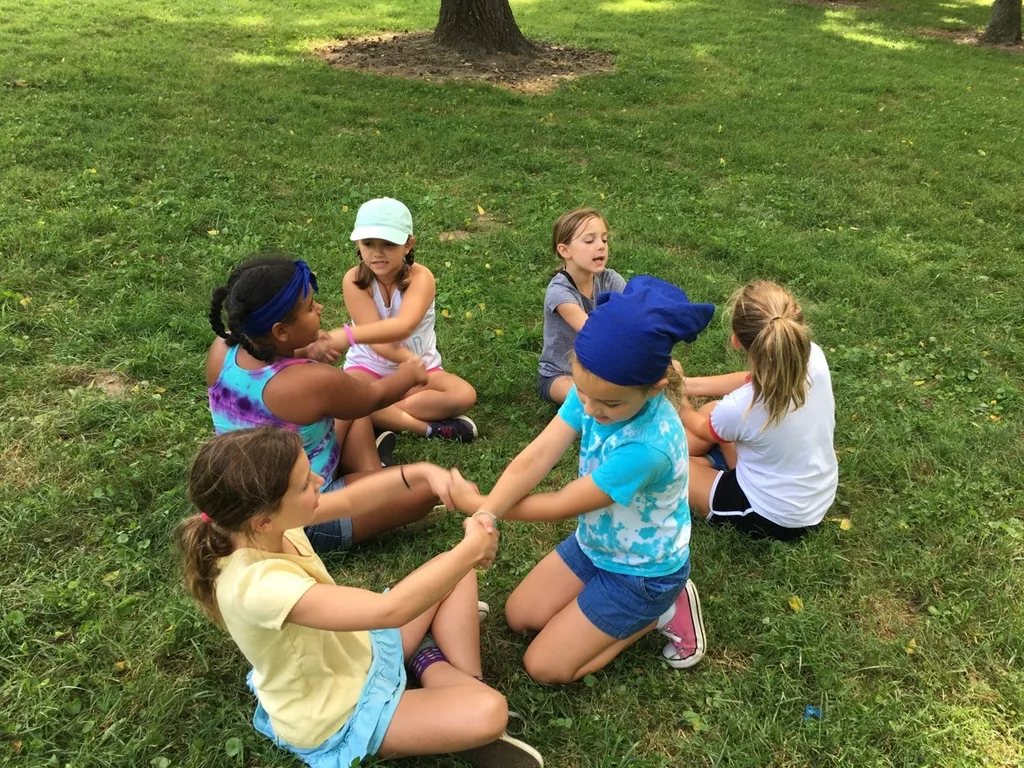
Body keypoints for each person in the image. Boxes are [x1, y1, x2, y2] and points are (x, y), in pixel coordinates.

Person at [176, 427, 544, 768]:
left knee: (454, 574)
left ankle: (457, 691)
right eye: (305, 484)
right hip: (338, 710)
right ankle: (439, 676)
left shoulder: (267, 526)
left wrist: (420, 473)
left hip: (356, 648)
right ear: (262, 520)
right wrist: (470, 550)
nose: (319, 481)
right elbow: (389, 611)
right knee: (490, 712)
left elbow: (351, 499)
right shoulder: (256, 586)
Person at [451, 277, 714, 683]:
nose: (589, 410)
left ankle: (663, 609)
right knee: (519, 616)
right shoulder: (596, 386)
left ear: (653, 389)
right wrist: (488, 511)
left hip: (642, 574)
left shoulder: (648, 448)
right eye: (583, 394)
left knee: (544, 666)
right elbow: (538, 455)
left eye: (608, 404)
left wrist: (477, 504)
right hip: (595, 544)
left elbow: (563, 503)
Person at [207, 254, 441, 553]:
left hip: (249, 496)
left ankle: (374, 481)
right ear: (280, 331)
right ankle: (377, 495)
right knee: (426, 487)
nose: (319, 308)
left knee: (349, 402)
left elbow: (273, 366)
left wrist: (303, 351)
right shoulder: (312, 381)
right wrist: (409, 373)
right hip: (302, 518)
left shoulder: (222, 349)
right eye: (309, 307)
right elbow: (372, 398)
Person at [307, 198, 477, 442]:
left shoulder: (421, 277)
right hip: (367, 368)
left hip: (421, 368)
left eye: (388, 244)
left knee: (463, 394)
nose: (378, 253)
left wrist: (347, 335)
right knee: (351, 396)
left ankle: (378, 415)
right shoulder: (354, 280)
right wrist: (406, 360)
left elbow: (403, 326)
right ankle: (426, 429)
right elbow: (376, 340)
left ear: (408, 245)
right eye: (368, 244)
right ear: (358, 245)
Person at [678, 280, 838, 542]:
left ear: (736, 340)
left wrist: (675, 395)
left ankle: (695, 460)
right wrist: (687, 384)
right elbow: (749, 379)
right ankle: (708, 462)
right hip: (815, 493)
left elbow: (700, 427)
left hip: (773, 515)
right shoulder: (811, 356)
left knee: (664, 467)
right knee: (713, 410)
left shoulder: (742, 407)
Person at [537, 208, 625, 405]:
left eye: (604, 239)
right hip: (561, 375)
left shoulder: (610, 279)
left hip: (602, 369)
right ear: (565, 250)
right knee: (596, 398)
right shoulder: (560, 292)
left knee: (669, 370)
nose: (601, 246)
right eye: (589, 240)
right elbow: (593, 332)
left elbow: (634, 315)